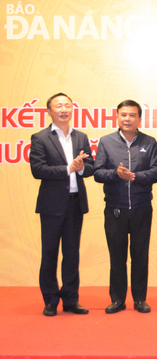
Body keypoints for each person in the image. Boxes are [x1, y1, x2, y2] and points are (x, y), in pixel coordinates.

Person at [94, 100, 157, 314]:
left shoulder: (149, 142)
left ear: (139, 119)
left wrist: (135, 176)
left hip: (142, 207)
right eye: (123, 115)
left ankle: (140, 299)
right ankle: (117, 299)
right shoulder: (106, 142)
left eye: (132, 115)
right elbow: (97, 173)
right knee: (117, 256)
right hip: (115, 208)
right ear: (117, 117)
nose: (127, 119)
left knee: (140, 255)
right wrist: (116, 174)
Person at [29, 93, 94, 316]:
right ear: (49, 111)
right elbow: (38, 170)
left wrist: (82, 167)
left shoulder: (81, 137)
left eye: (67, 105)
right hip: (51, 205)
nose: (64, 109)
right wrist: (69, 168)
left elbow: (91, 167)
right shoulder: (40, 138)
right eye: (59, 106)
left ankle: (70, 299)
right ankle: (50, 300)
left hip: (75, 204)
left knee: (72, 253)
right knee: (49, 253)